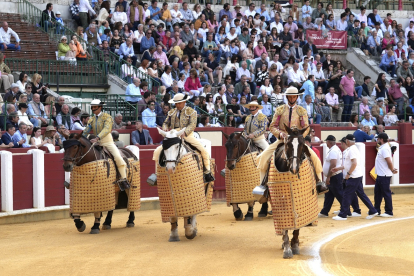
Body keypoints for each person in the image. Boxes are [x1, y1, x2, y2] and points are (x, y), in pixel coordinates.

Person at [256, 87, 324, 187]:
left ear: (296, 97)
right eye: (290, 97)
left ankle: (319, 182)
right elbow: (272, 126)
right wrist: (280, 134)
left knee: (315, 159)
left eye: (294, 97)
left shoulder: (301, 111)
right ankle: (262, 185)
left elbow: (306, 128)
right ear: (287, 97)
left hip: (297, 141)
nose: (292, 99)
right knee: (263, 157)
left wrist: (300, 138)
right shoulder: (280, 110)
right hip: (282, 140)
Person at [152, 93, 214, 182]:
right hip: (173, 134)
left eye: (179, 103)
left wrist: (185, 132)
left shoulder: (191, 111)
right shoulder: (171, 112)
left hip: (187, 134)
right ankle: (156, 175)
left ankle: (207, 172)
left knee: (203, 150)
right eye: (176, 103)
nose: (177, 105)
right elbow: (166, 123)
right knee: (157, 151)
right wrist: (165, 128)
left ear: (184, 102)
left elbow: (192, 124)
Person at [83, 99, 129, 190]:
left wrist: (97, 137)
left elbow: (107, 129)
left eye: (95, 107)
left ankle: (124, 179)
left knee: (118, 157)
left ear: (100, 107)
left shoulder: (107, 117)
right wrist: (79, 137)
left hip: (107, 142)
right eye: (92, 107)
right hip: (96, 142)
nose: (93, 109)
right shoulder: (91, 119)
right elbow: (86, 131)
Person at [332, 134, 378, 220]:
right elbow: (349, 164)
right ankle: (373, 210)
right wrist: (338, 168)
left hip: (353, 176)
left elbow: (354, 163)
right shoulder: (354, 149)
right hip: (357, 175)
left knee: (346, 194)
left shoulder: (351, 150)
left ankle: (343, 215)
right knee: (361, 194)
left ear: (348, 141)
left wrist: (348, 174)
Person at [318, 135, 344, 218]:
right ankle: (324, 212)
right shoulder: (335, 149)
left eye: (326, 142)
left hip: (334, 176)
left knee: (339, 194)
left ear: (328, 142)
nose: (326, 143)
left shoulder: (333, 150)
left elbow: (333, 164)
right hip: (334, 175)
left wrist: (328, 177)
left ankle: (346, 210)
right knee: (329, 194)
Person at [374, 132, 398, 217]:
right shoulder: (383, 148)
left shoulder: (384, 148)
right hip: (381, 174)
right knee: (378, 193)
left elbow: (388, 161)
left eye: (378, 138)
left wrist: (392, 169)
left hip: (384, 175)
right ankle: (376, 210)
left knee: (386, 193)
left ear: (381, 139)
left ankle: (389, 211)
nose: (377, 140)